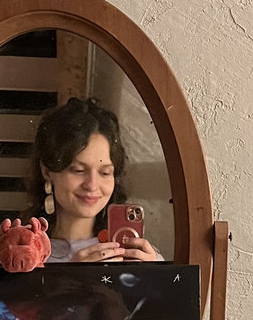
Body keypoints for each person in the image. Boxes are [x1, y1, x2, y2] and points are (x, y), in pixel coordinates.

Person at [30, 97, 162, 264]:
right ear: (47, 171)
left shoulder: (140, 257)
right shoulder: (18, 254)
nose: (92, 185)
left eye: (105, 173)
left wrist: (153, 275)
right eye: (79, 170)